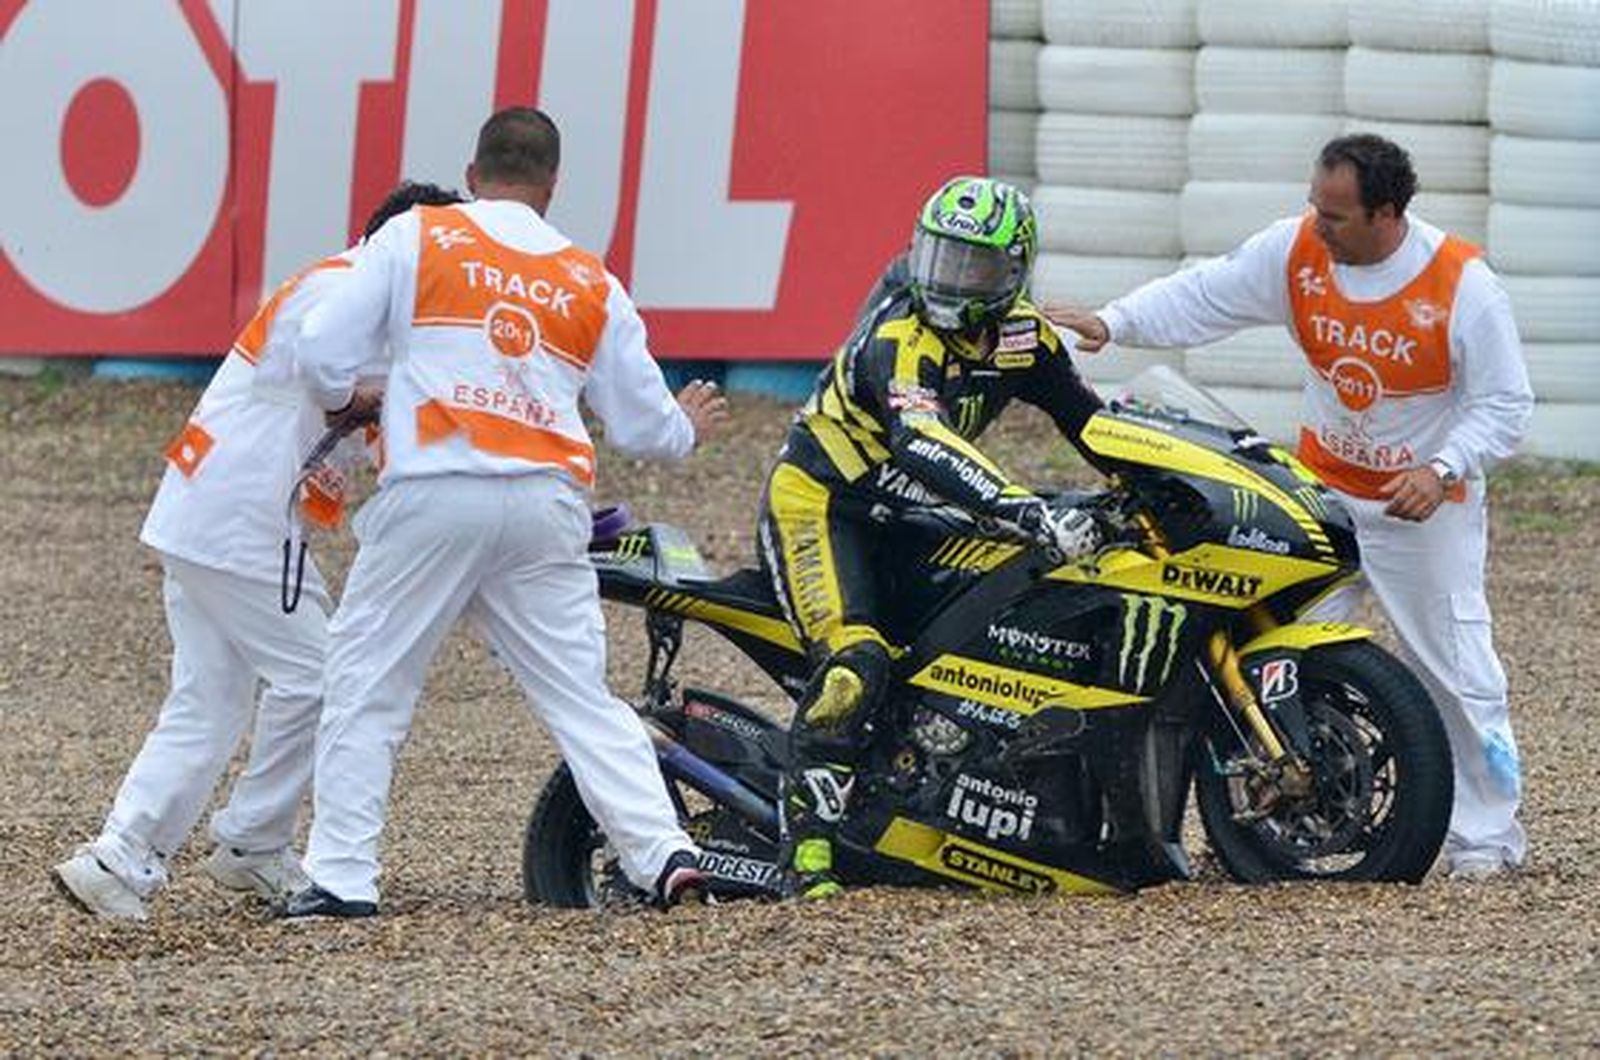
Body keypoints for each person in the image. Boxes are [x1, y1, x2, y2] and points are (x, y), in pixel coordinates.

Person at [280, 107, 729, 918]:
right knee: (581, 698)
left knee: (368, 682)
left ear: (474, 173)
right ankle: (665, 853)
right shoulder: (588, 277)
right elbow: (644, 427)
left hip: (435, 492)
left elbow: (318, 350)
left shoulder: (421, 234)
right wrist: (687, 431)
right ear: (552, 187)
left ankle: (343, 878)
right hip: (545, 504)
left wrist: (351, 398)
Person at [1051, 133, 1533, 880]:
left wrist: (1442, 469)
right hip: (1324, 495)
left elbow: (1505, 405)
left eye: (1335, 215)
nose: (1318, 224)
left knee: (1454, 668)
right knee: (1282, 661)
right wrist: (1114, 323)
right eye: (1315, 206)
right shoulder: (1298, 250)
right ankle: (1286, 821)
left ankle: (1485, 841)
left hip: (1424, 511)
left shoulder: (1463, 285)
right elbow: (1207, 292)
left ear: (1387, 213)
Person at [52, 181, 465, 921]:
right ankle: (251, 841)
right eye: (442, 253)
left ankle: (121, 854)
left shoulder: (352, 299)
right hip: (242, 519)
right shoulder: (343, 294)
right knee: (326, 677)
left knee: (208, 699)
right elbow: (323, 368)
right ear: (405, 246)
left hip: (210, 510)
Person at [759, 175, 1107, 899]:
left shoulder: (1023, 337)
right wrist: (1023, 505)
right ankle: (807, 856)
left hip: (917, 514)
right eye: (937, 256)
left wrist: (1161, 482)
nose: (945, 279)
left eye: (969, 266)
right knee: (855, 661)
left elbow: (1089, 422)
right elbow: (922, 441)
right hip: (826, 505)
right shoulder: (899, 339)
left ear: (1012, 274)